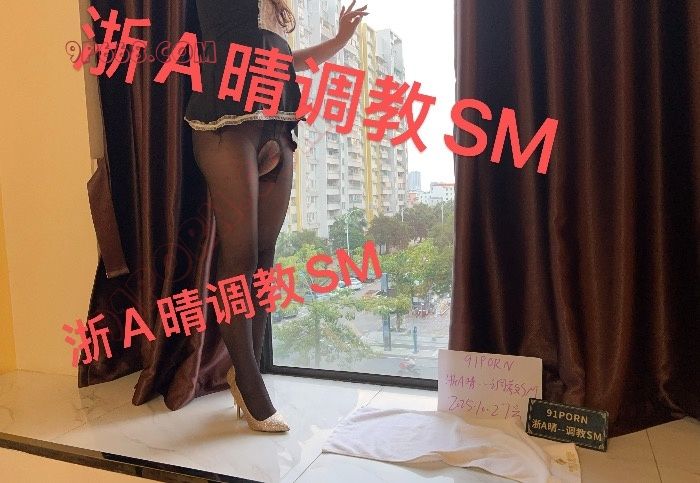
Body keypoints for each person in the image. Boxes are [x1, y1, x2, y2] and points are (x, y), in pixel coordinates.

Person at [183, 0, 369, 432]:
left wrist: (338, 41)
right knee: (241, 257)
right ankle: (250, 385)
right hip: (226, 124)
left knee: (265, 258)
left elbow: (285, 62)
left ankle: (245, 372)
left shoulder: (278, 6)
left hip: (278, 123)